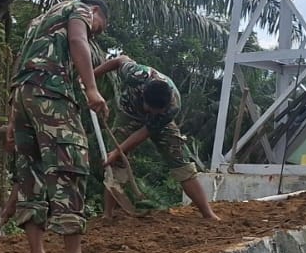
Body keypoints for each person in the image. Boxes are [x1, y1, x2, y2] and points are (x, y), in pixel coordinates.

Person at [11, 0, 109, 253]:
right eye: (99, 27)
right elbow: (78, 41)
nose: (96, 32)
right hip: (50, 93)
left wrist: (12, 119)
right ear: (96, 11)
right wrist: (91, 89)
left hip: (22, 96)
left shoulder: (36, 23)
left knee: (30, 172)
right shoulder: (79, 8)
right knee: (70, 163)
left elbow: (20, 64)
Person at [93, 55, 218, 219]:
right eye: (151, 110)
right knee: (115, 163)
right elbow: (119, 60)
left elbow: (145, 132)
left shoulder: (172, 107)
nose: (152, 114)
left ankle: (208, 213)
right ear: (143, 95)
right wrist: (90, 78)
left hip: (160, 125)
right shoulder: (135, 74)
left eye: (157, 112)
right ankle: (107, 215)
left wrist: (119, 151)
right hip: (129, 113)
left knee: (180, 160)